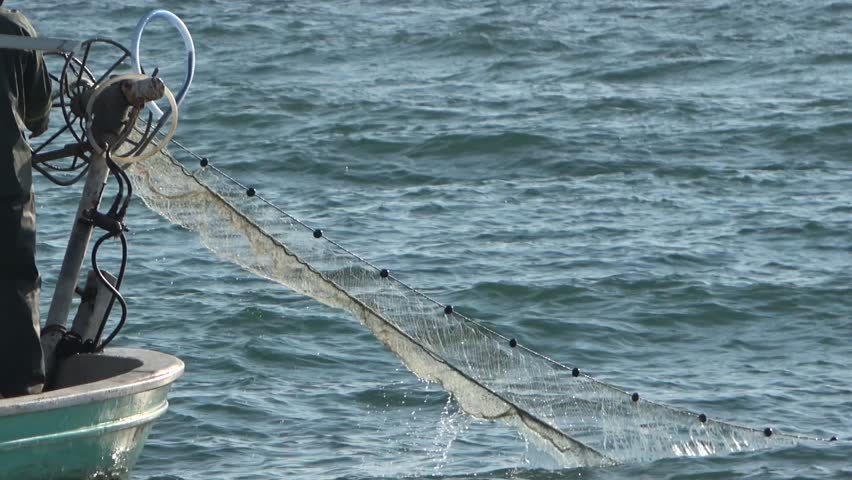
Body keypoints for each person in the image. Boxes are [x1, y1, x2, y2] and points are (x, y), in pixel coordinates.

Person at [0, 1, 52, 397]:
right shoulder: (15, 29)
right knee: (16, 282)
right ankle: (23, 393)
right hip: (8, 186)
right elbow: (38, 115)